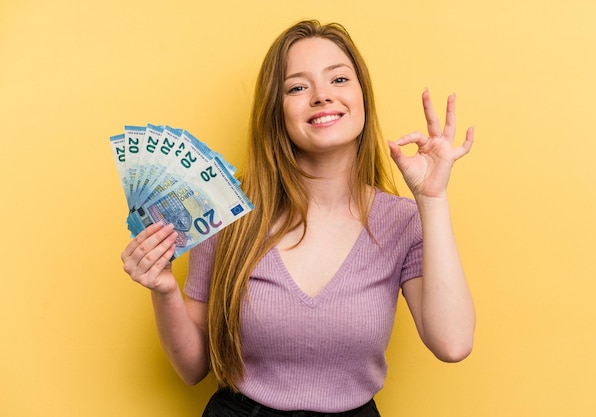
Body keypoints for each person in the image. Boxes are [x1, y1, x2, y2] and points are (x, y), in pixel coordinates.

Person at [121, 19, 476, 417]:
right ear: (277, 111)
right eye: (297, 87)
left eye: (339, 80)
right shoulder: (230, 214)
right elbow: (192, 368)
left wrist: (433, 199)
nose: (322, 96)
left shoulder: (402, 221)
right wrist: (164, 289)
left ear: (363, 97)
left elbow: (453, 344)